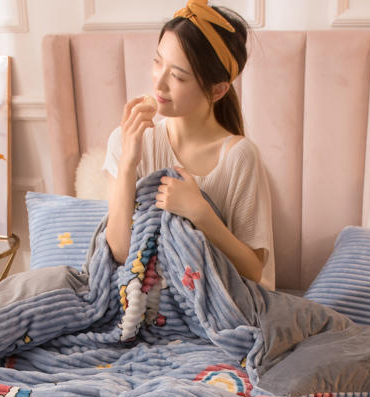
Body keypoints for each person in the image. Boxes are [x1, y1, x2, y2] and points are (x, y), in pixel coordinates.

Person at [103, 1, 275, 288]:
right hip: (139, 302)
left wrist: (200, 213)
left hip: (208, 304)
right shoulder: (126, 140)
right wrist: (128, 163)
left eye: (178, 76)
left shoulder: (239, 157)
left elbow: (254, 272)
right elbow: (120, 253)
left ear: (218, 90)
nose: (159, 83)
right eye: (158, 62)